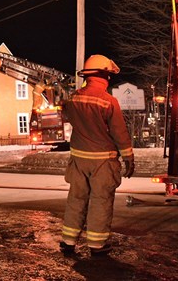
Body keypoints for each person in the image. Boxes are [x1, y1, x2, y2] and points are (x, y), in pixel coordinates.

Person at [60, 55, 135, 256]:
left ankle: (68, 240)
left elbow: (67, 116)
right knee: (101, 200)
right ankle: (96, 244)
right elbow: (119, 133)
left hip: (78, 160)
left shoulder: (74, 98)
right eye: (109, 75)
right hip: (103, 160)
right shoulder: (108, 101)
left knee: (76, 198)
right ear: (104, 75)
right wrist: (128, 157)